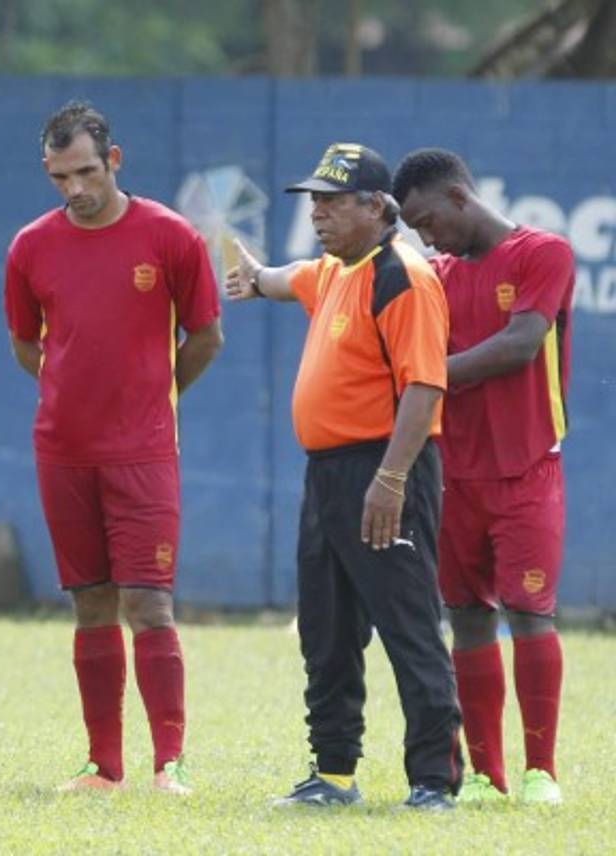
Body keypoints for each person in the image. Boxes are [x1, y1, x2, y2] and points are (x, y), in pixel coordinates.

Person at [225, 143, 463, 810]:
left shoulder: (403, 277)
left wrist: (389, 481)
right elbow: (285, 278)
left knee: (408, 625)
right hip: (327, 476)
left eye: (332, 201)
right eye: (314, 201)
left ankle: (433, 781)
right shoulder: (334, 269)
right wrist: (254, 276)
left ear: (377, 207)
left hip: (386, 469)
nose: (318, 213)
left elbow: (424, 387)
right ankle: (332, 774)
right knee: (325, 631)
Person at [4, 101, 223, 794]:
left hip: (144, 454)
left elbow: (206, 337)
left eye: (87, 172)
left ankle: (169, 766)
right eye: (60, 177)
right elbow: (25, 344)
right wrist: (70, 392)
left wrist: (154, 395)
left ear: (115, 160)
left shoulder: (171, 236)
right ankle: (104, 767)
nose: (75, 188)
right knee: (90, 604)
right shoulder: (30, 247)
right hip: (62, 453)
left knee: (149, 604)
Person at [392, 148, 572, 806]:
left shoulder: (542, 252)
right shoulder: (434, 277)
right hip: (453, 473)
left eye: (428, 221)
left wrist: (428, 376)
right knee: (468, 619)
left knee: (529, 613)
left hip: (527, 468)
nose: (425, 237)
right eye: (413, 228)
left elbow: (521, 344)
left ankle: (540, 772)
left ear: (459, 197)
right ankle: (486, 777)